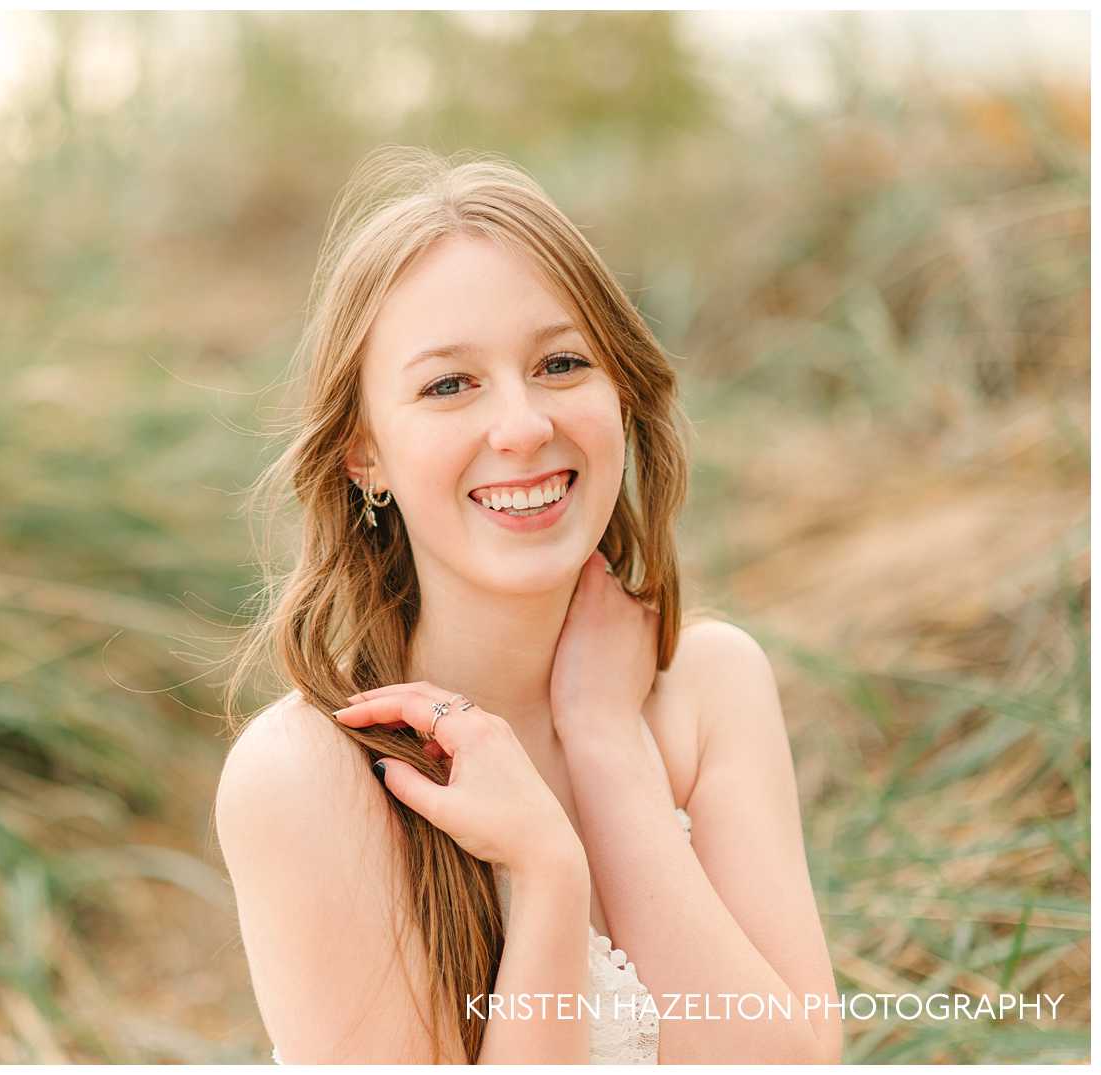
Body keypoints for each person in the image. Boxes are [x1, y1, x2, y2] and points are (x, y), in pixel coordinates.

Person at [214, 147, 841, 1064]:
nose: (522, 427)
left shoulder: (711, 686)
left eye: (559, 363)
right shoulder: (305, 775)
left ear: (620, 388)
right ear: (364, 453)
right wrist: (546, 875)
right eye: (449, 385)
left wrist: (604, 740)